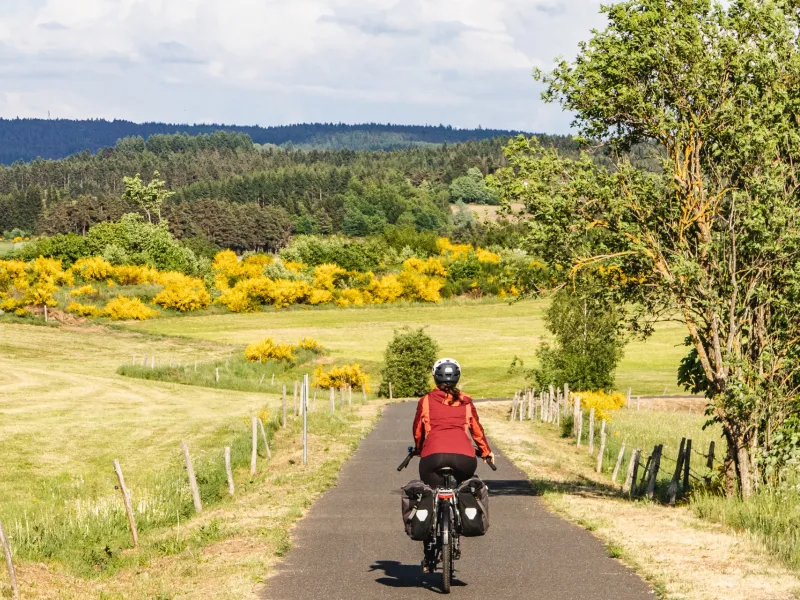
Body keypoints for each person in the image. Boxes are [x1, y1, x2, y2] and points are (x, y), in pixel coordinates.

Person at [412, 358, 494, 572]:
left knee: (430, 494)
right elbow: (477, 430)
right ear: (457, 378)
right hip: (464, 458)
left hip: (433, 457)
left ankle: (429, 553)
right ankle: (458, 519)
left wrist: (419, 448)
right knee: (461, 487)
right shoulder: (466, 401)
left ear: (435, 377)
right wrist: (486, 452)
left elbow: (418, 430)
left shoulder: (426, 401)